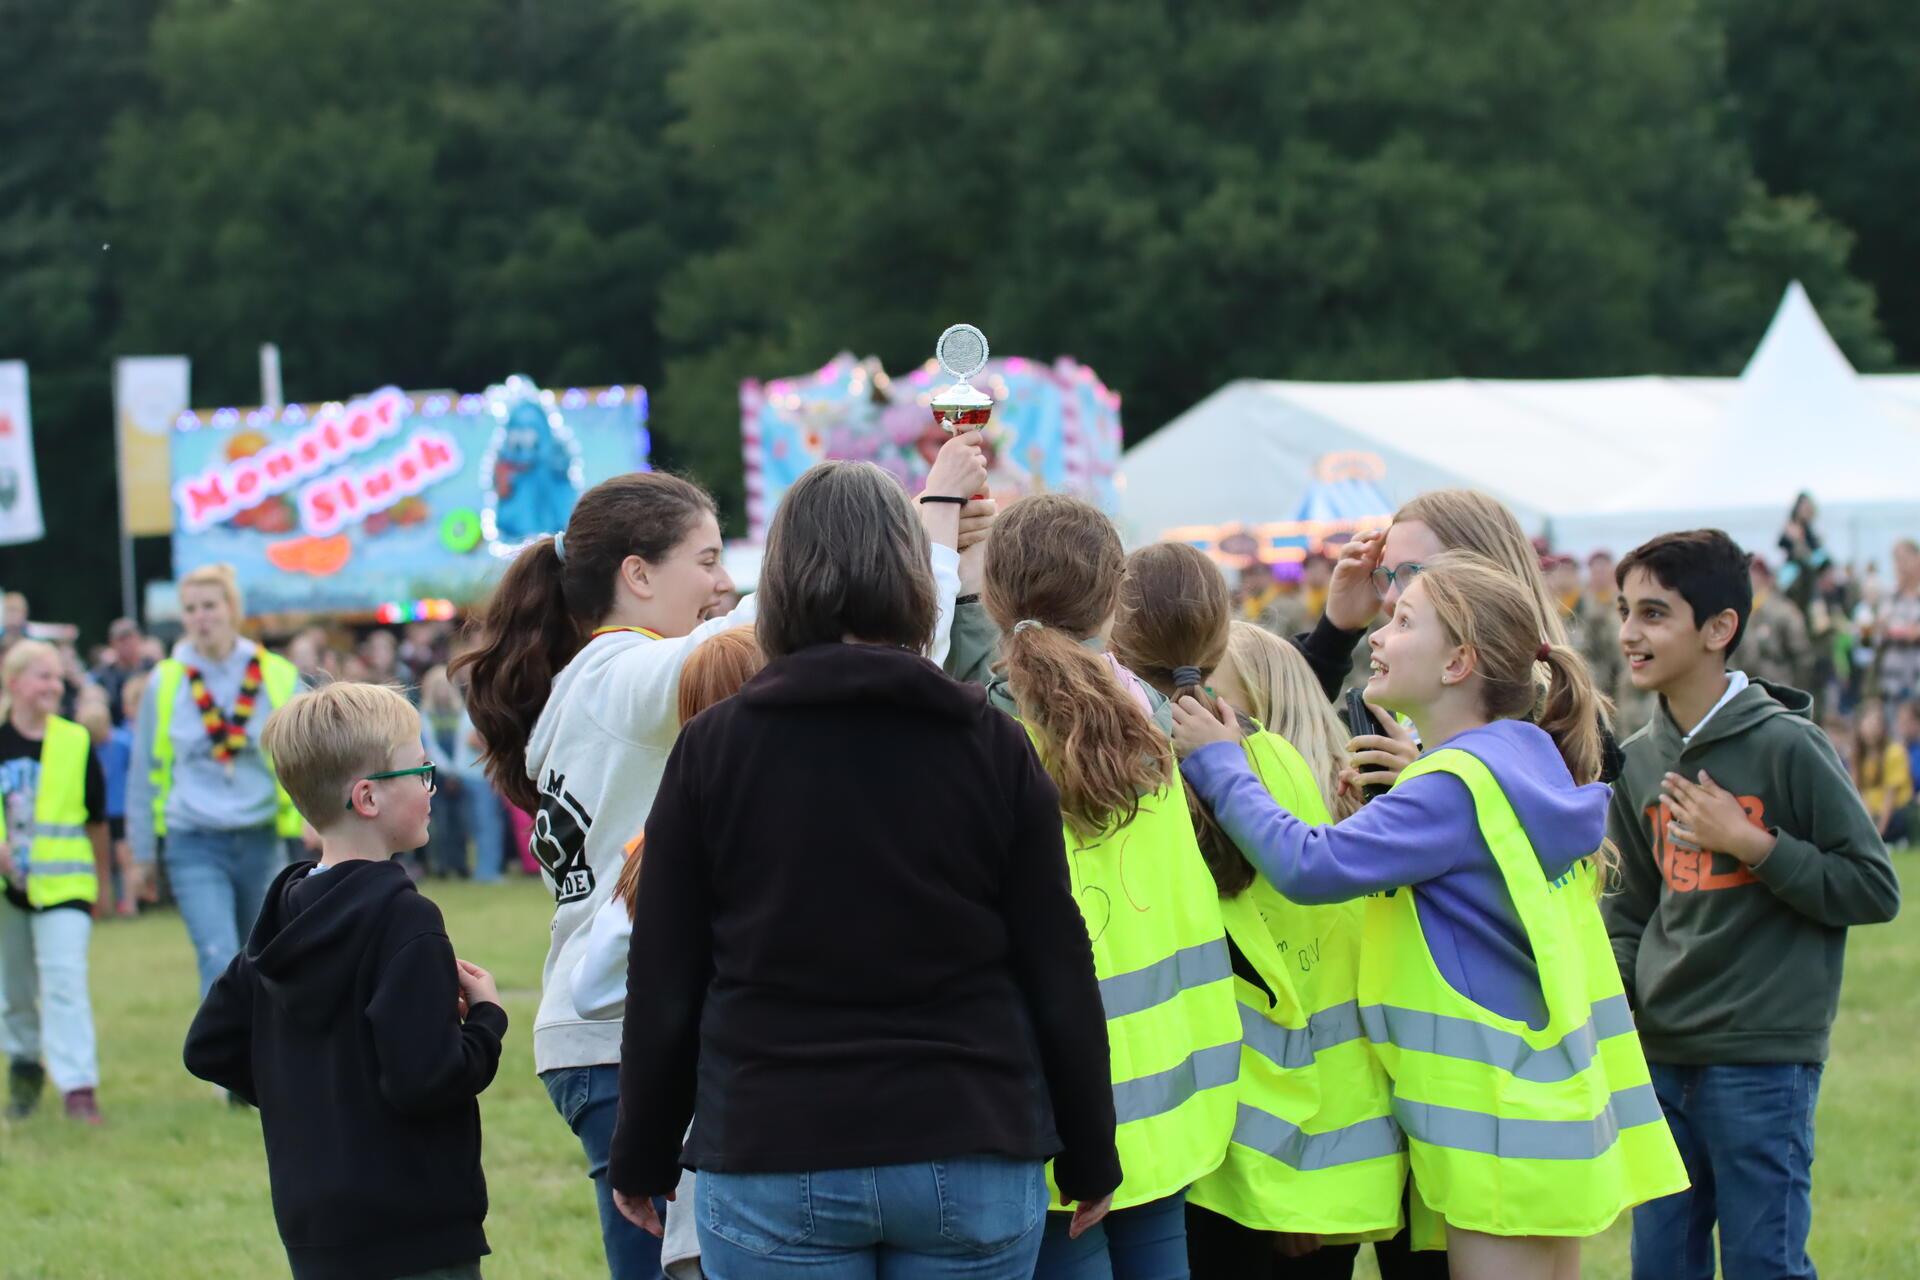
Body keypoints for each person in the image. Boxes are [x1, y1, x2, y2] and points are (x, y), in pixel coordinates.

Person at [454, 435, 987, 1280]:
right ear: (637, 574)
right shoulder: (617, 676)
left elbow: (857, 661)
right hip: (629, 1033)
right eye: (705, 561)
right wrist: (917, 530)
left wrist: (931, 541)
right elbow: (825, 643)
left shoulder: (600, 681)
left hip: (612, 1028)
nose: (724, 583)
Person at [607, 461, 1120, 1279]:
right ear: (912, 577)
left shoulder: (715, 751)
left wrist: (641, 1153)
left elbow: (667, 971)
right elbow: (1055, 961)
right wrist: (1092, 1146)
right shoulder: (990, 745)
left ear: (780, 584)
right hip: (970, 1138)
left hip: (777, 1140)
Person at [1173, 551, 1688, 1280]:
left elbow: (1309, 865)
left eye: (1403, 621)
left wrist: (1225, 763)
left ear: (1458, 665)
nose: (1379, 637)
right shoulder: (1523, 757)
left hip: (1488, 1133)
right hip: (1541, 1114)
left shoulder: (1452, 788)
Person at [1604, 529, 1902, 1280]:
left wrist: (1754, 844)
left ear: (1719, 630)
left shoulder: (1790, 748)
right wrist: (1622, 1001)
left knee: (1762, 1266)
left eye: (1653, 613)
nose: (1629, 634)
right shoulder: (1637, 761)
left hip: (1762, 1063)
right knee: (1660, 1266)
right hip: (1661, 1060)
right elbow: (1631, 909)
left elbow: (1873, 886)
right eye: (1623, 611)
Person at [1109, 550, 1401, 1280]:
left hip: (1174, 1135)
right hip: (1280, 1142)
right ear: (1217, 645)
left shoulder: (1112, 774)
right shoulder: (1277, 766)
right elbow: (1320, 972)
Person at [973, 495, 1239, 1280]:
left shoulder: (983, 743)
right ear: (1115, 597)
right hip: (1172, 1104)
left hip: (1047, 1105)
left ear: (991, 596)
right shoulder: (1164, 732)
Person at [184, 681, 509, 1280]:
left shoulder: (283, 910)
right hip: (416, 1228)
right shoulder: (404, 917)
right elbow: (427, 1078)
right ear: (368, 798)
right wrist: (487, 1019)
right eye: (420, 768)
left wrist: (308, 1099)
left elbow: (209, 1044)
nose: (431, 784)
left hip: (315, 1227)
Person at [127, 564, 306, 1004]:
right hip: (193, 839)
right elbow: (143, 770)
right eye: (190, 609)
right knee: (218, 958)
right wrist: (142, 853)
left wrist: (316, 816)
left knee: (264, 958)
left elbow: (310, 753)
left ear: (232, 610)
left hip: (261, 836)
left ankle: (266, 1066)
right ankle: (225, 1071)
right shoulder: (166, 680)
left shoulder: (276, 674)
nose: (200, 617)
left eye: (210, 606)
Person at [0, 640, 112, 1124]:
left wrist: (104, 882)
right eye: (41, 676)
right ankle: (24, 1071)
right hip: (7, 890)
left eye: (56, 678)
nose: (53, 686)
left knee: (64, 982)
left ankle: (78, 1088)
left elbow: (96, 819)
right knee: (15, 991)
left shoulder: (74, 740)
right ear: (14, 683)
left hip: (65, 884)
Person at [1745, 557, 1815, 694]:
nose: (1753, 579)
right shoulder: (1743, 612)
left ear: (1768, 578)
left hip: (1779, 691)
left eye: (1758, 574)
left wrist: (1795, 694)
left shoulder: (1784, 611)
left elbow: (1803, 657)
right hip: (1749, 692)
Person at [1850, 700, 1913, 846]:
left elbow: (1890, 797)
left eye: (1876, 723)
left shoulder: (1894, 752)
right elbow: (1858, 791)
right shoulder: (1858, 756)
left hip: (1893, 813)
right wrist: (1867, 819)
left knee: (1896, 821)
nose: (1872, 728)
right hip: (1870, 813)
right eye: (1868, 722)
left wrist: (1879, 832)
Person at [1875, 538, 1920, 705]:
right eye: (1896, 560)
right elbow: (1878, 636)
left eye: (1905, 559)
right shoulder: (1889, 597)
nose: (1900, 566)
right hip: (1892, 685)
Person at [91, 618, 153, 727]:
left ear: (139, 639)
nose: (127, 644)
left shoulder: (153, 669)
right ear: (112, 643)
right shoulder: (103, 677)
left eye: (130, 638)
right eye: (121, 640)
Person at [1777, 492, 1829, 614]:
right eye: (1804, 507)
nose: (1806, 510)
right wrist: (1794, 538)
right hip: (1793, 574)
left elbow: (1817, 551)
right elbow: (1781, 544)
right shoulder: (1791, 526)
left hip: (1807, 575)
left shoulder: (1809, 528)